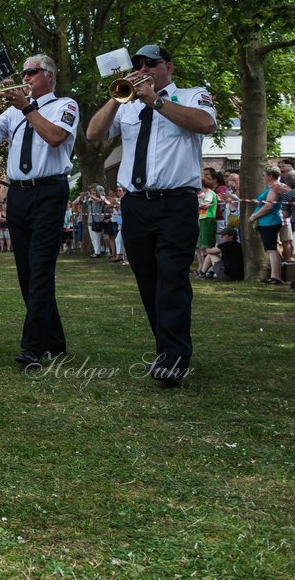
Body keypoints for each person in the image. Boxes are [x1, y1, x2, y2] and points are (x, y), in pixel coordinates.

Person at [86, 44, 215, 387]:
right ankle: (165, 351)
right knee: (148, 281)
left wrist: (154, 100)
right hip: (137, 204)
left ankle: (174, 360)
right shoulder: (126, 104)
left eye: (150, 64)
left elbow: (205, 124)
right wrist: (117, 97)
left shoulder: (191, 94)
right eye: (138, 64)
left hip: (175, 202)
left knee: (172, 279)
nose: (142, 68)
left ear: (169, 67)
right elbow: (93, 134)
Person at [0, 53, 78, 365]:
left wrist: (26, 107)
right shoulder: (15, 112)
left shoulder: (66, 105)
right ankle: (54, 339)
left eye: (32, 72)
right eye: (24, 73)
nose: (26, 77)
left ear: (49, 75)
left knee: (40, 267)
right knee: (26, 270)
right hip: (19, 193)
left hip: (49, 190)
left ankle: (33, 345)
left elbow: (55, 137)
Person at [246, 166, 285, 285]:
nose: (262, 178)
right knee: (272, 249)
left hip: (270, 221)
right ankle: (275, 275)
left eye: (264, 176)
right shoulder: (273, 187)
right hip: (268, 221)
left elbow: (269, 206)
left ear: (270, 177)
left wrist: (254, 216)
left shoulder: (274, 188)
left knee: (271, 249)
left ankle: (275, 276)